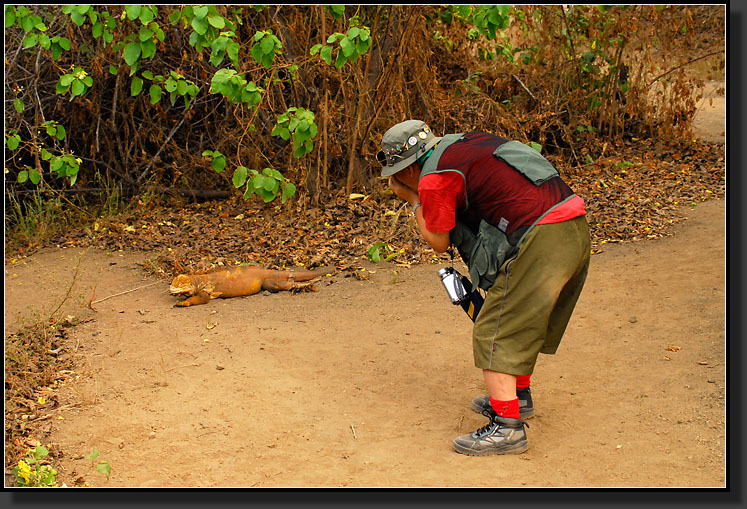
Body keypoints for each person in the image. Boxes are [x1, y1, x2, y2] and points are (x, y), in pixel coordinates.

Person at [377, 119, 590, 456]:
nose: (396, 179)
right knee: (519, 320)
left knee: (495, 329)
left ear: (407, 168)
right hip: (572, 225)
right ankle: (517, 398)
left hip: (542, 236)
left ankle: (507, 429)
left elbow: (437, 240)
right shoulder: (464, 143)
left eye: (397, 172)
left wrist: (412, 198)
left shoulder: (432, 178)